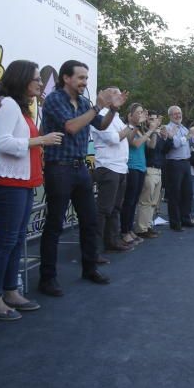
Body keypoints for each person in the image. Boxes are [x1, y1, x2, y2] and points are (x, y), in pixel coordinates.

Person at [0, 61, 63, 320]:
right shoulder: (6, 104)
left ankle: (10, 290)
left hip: (23, 181)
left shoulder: (21, 107)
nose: (41, 84)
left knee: (17, 239)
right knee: (7, 240)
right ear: (21, 79)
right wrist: (40, 140)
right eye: (36, 79)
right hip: (9, 182)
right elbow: (2, 142)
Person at [37, 60, 117, 296]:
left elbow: (101, 125)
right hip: (58, 168)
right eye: (81, 78)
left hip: (80, 168)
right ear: (66, 78)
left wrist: (112, 109)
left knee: (90, 220)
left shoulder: (83, 102)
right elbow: (71, 127)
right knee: (55, 225)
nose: (85, 82)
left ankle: (89, 268)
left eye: (85, 78)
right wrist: (97, 106)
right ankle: (47, 278)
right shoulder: (53, 100)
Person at [91, 88, 134, 252]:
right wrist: (130, 126)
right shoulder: (100, 114)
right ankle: (94, 248)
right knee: (103, 210)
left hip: (121, 167)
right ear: (106, 96)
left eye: (120, 93)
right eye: (115, 93)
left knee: (116, 208)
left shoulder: (117, 117)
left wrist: (132, 125)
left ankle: (112, 241)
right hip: (108, 167)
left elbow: (128, 138)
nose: (120, 96)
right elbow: (113, 139)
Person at [121, 104, 160, 244]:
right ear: (130, 115)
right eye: (138, 112)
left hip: (141, 168)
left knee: (134, 201)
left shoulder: (140, 129)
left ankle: (129, 229)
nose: (141, 115)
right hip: (131, 167)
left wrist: (154, 130)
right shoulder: (128, 128)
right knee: (129, 201)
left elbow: (152, 145)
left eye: (142, 112)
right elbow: (135, 144)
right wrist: (149, 130)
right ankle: (124, 231)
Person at [136, 115, 168, 237]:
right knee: (146, 201)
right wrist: (153, 131)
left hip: (158, 170)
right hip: (149, 169)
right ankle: (141, 229)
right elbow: (152, 146)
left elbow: (164, 150)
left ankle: (148, 226)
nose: (154, 121)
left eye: (156, 119)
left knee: (154, 202)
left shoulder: (158, 134)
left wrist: (165, 137)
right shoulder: (144, 133)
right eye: (151, 119)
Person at [163, 106, 194, 231]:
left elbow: (191, 144)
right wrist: (188, 136)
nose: (178, 115)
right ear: (170, 116)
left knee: (187, 193)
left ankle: (185, 219)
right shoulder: (167, 128)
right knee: (175, 194)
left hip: (186, 162)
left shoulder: (184, 128)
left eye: (179, 113)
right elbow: (175, 144)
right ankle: (175, 222)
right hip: (174, 163)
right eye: (175, 114)